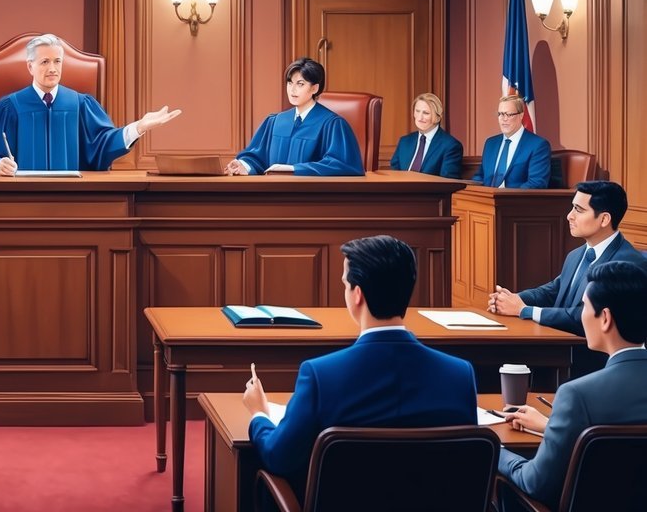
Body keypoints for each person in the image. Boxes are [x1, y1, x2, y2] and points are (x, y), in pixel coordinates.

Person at [243, 235, 476, 502]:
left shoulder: (320, 375)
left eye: (345, 283)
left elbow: (278, 456)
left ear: (357, 294)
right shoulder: (460, 375)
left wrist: (259, 414)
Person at [497, 260, 647, 509]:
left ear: (605, 318)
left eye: (584, 307)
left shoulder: (577, 395)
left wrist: (496, 450)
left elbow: (535, 482)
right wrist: (551, 427)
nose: (582, 315)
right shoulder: (580, 399)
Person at [0, 33, 180, 175]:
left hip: (73, 201)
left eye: (57, 61)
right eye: (44, 62)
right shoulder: (9, 107)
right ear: (30, 66)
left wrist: (139, 127)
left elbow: (103, 145)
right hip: (21, 203)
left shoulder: (81, 104)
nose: (52, 68)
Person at [489, 180, 644, 369]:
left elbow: (587, 316)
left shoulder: (626, 264)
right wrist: (512, 299)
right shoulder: (577, 254)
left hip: (594, 364)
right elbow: (553, 290)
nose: (569, 216)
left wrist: (524, 310)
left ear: (604, 219)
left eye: (578, 210)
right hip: (562, 352)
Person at [225, 57, 364, 176]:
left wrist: (294, 169)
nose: (292, 90)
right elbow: (258, 157)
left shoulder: (332, 124)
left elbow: (342, 164)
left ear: (314, 88)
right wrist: (244, 165)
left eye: (300, 84)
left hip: (313, 200)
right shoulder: (275, 122)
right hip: (273, 196)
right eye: (290, 83)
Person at [472, 95, 551, 188]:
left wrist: (505, 197)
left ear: (521, 115)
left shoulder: (538, 145)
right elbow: (480, 176)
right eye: (500, 114)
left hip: (514, 200)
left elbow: (536, 183)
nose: (504, 119)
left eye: (509, 114)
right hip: (486, 199)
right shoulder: (490, 143)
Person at [388, 92, 463, 178]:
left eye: (426, 113)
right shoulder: (404, 142)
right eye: (417, 111)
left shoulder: (451, 146)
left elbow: (447, 183)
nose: (420, 117)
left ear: (438, 116)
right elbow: (394, 176)